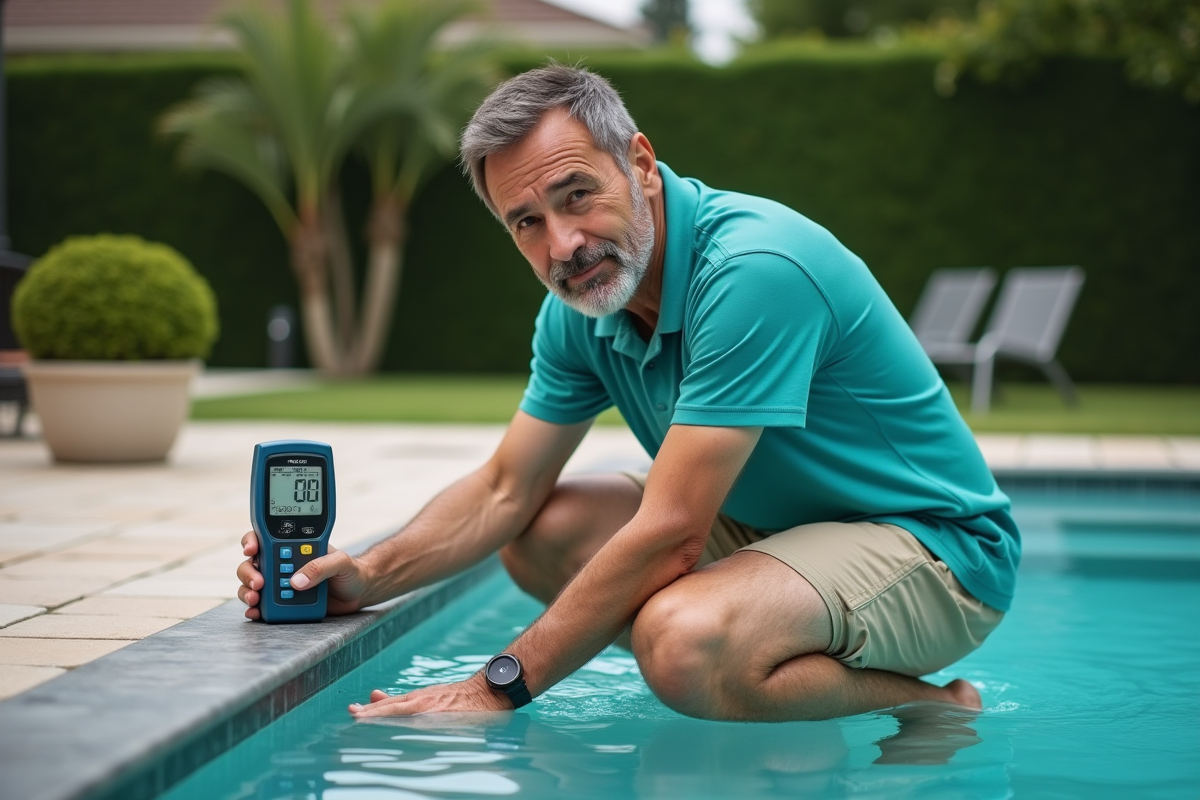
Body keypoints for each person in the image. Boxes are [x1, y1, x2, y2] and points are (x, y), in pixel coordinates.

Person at [236, 65, 1019, 722]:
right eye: (527, 222)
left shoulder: (754, 271)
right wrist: (366, 576)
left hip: (931, 548)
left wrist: (493, 687)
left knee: (681, 642)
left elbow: (674, 530)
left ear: (640, 163)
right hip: (771, 526)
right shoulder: (582, 308)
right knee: (544, 530)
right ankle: (762, 656)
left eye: (577, 195)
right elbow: (505, 488)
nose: (564, 245)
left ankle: (929, 703)